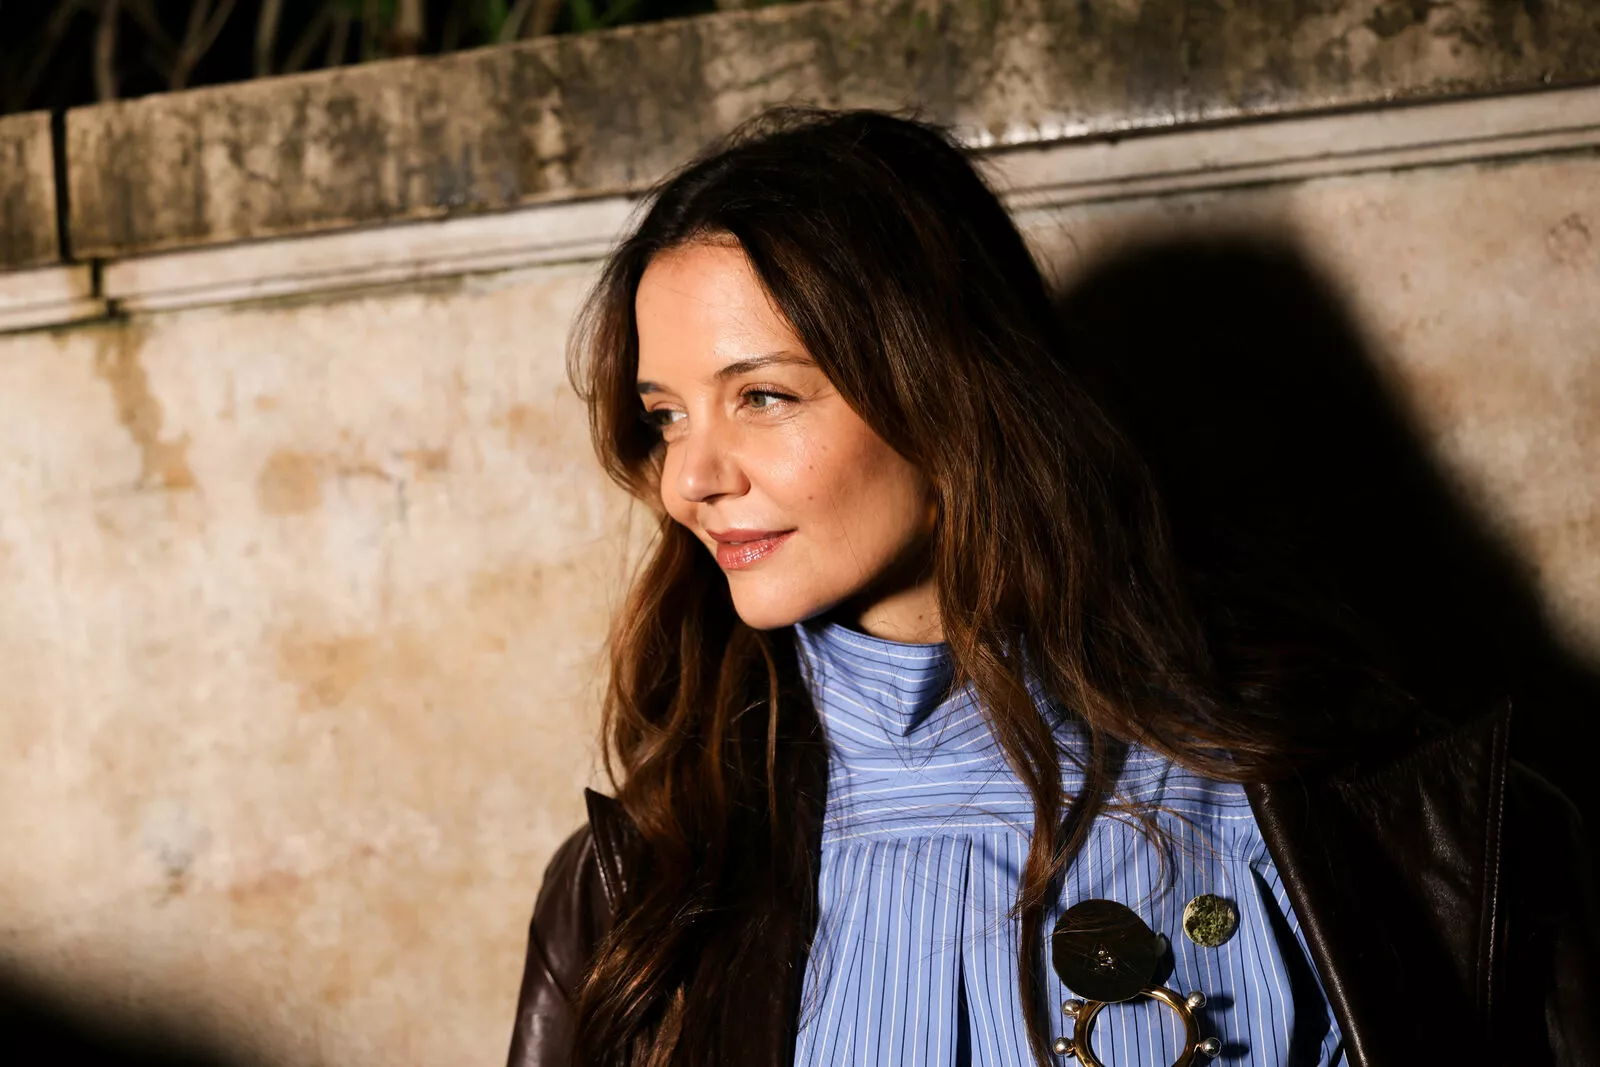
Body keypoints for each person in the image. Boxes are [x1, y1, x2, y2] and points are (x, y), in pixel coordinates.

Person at [504, 108, 1597, 1067]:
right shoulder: (633, 887)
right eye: (665, 414)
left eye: (763, 396)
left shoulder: (1381, 821)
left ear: (949, 389)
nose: (690, 479)